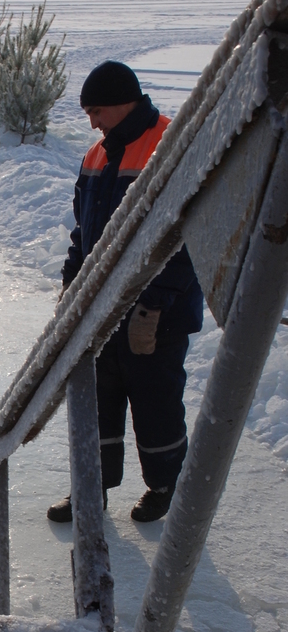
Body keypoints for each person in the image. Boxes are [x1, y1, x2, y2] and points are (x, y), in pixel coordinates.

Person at [47, 61, 203, 525]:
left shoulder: (172, 143)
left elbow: (190, 236)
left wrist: (154, 304)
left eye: (97, 111)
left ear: (124, 102)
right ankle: (91, 487)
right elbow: (85, 231)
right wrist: (71, 284)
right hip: (100, 310)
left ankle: (163, 487)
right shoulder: (97, 155)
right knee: (97, 403)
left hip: (157, 312)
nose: (91, 122)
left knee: (155, 402)